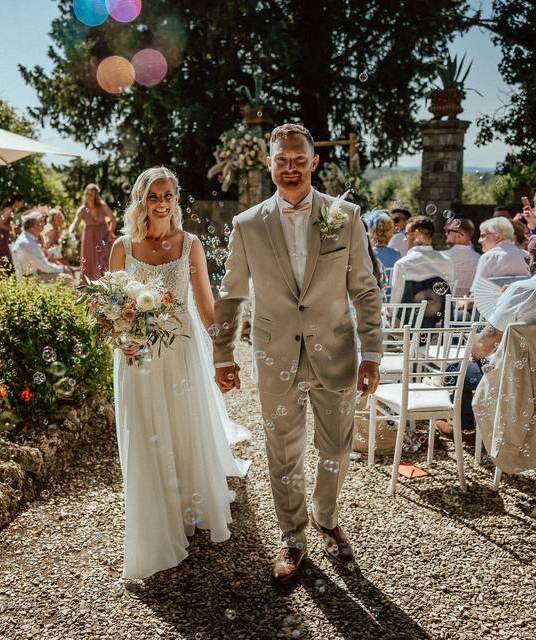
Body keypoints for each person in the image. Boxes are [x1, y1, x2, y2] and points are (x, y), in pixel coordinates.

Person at [213, 123, 383, 586]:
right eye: (280, 161)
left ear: (314, 162)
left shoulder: (345, 216)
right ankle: (292, 537)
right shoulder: (247, 224)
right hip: (274, 353)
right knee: (282, 453)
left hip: (337, 352)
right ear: (269, 165)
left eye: (297, 160)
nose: (289, 168)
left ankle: (327, 518)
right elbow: (230, 295)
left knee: (336, 448)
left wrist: (373, 352)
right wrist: (223, 355)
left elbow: (366, 291)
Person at [108, 166, 250, 580]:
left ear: (177, 199)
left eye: (169, 195)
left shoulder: (190, 245)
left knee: (183, 428)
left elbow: (207, 307)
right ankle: (157, 517)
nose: (163, 203)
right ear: (141, 201)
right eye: (154, 196)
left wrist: (224, 356)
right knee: (146, 430)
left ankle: (189, 499)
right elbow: (108, 306)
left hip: (182, 352)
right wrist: (121, 339)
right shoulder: (123, 246)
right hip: (137, 356)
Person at [436, 230, 536, 439]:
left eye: (528, 258)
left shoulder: (523, 289)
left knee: (455, 370)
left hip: (517, 382)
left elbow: (483, 346)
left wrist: (504, 303)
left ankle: (467, 427)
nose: (527, 263)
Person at [389, 215, 455, 305]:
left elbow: (394, 303)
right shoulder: (447, 261)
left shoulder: (402, 264)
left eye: (406, 234)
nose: (404, 239)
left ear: (417, 234)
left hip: (409, 318)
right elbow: (449, 297)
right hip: (440, 318)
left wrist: (387, 313)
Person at [70, 183, 117, 283]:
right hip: (89, 237)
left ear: (96, 195)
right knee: (89, 258)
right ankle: (89, 281)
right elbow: (75, 223)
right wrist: (71, 232)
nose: (88, 196)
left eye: (91, 194)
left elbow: (113, 219)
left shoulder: (102, 206)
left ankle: (105, 281)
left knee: (104, 258)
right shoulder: (82, 210)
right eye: (86, 194)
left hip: (103, 235)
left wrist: (109, 233)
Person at [472, 216, 530, 284]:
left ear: (498, 237)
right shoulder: (527, 255)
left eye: (483, 236)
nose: (479, 241)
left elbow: (477, 290)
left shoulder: (488, 257)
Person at [11, 211, 68, 281]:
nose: (42, 225)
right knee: (67, 278)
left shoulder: (25, 238)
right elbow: (43, 266)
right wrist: (62, 269)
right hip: (30, 279)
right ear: (31, 228)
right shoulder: (28, 242)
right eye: (38, 224)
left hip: (30, 275)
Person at [440, 217, 480, 295]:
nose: (446, 233)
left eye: (448, 231)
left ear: (459, 235)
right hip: (470, 305)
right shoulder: (479, 258)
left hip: (447, 305)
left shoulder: (442, 256)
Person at [0, 194, 23, 268]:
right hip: (2, 236)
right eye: (21, 202)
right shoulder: (8, 210)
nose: (22, 204)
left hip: (2, 236)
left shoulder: (8, 209)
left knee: (4, 257)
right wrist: (11, 229)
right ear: (16, 202)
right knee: (5, 257)